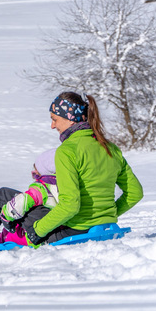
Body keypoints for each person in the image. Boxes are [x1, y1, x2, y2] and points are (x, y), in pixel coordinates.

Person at [21, 91, 143, 247]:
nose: (52, 126)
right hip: (106, 227)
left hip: (75, 230)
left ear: (70, 120)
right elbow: (135, 193)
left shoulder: (67, 150)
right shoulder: (111, 148)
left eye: (54, 119)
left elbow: (70, 205)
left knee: (8, 198)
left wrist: (37, 231)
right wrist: (106, 216)